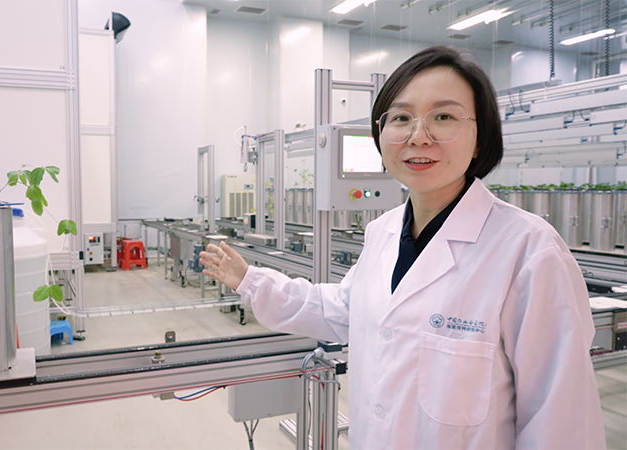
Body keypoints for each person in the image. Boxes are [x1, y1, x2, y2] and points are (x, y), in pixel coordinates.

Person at [199, 46, 605, 449]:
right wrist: (251, 281)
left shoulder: (529, 251)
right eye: (400, 118)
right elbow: (344, 310)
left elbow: (561, 422)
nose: (418, 136)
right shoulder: (383, 232)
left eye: (443, 117)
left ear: (480, 138)